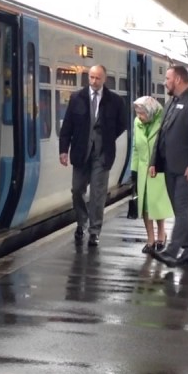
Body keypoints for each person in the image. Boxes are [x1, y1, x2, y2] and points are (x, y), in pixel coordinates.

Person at [58, 64, 128, 246]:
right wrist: (63, 150)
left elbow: (122, 123)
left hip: (102, 155)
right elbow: (67, 127)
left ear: (104, 79)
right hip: (81, 153)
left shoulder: (114, 101)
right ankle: (81, 222)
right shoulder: (76, 98)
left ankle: (94, 231)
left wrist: (107, 137)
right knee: (77, 190)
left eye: (98, 78)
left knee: (98, 194)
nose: (94, 81)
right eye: (91, 77)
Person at [150, 65, 188, 266]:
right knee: (179, 209)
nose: (164, 82)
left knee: (182, 207)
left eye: (167, 78)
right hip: (169, 166)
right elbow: (161, 134)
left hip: (186, 168)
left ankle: (172, 251)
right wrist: (154, 162)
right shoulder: (170, 103)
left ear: (177, 80)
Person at [131, 96, 173, 254]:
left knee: (157, 205)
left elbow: (168, 146)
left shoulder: (163, 122)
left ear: (151, 112)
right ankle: (150, 239)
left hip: (158, 170)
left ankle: (161, 234)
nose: (139, 117)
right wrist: (133, 170)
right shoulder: (137, 123)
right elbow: (135, 147)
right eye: (137, 113)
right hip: (143, 171)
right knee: (145, 207)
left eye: (142, 114)